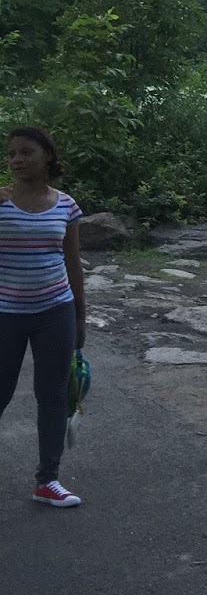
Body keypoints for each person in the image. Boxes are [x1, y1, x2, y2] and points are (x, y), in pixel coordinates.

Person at [0, 126, 87, 507]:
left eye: (26, 152)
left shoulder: (66, 205)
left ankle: (47, 481)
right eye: (12, 153)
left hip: (55, 310)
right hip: (5, 313)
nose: (17, 160)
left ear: (47, 156)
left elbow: (72, 264)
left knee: (52, 396)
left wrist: (80, 316)